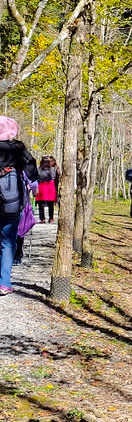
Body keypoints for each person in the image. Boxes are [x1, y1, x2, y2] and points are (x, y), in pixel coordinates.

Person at [0, 116, 38, 295]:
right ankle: (4, 282)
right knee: (8, 242)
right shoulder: (17, 148)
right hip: (12, 204)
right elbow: (33, 172)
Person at [35, 155, 58, 223]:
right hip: (50, 186)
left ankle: (42, 219)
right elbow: (55, 178)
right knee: (50, 204)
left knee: (41, 204)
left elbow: (37, 178)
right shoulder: (53, 169)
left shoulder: (38, 169)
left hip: (42, 186)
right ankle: (51, 218)